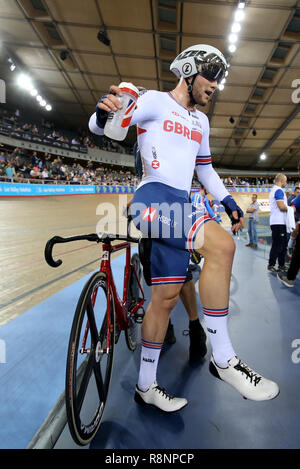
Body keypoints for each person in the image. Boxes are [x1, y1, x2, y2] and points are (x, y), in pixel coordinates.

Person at [89, 43, 279, 411]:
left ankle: (146, 386)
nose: (216, 86)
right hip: (151, 198)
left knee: (165, 298)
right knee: (222, 247)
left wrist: (227, 201)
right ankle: (223, 359)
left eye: (220, 80)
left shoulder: (202, 122)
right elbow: (107, 128)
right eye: (212, 76)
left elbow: (204, 168)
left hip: (180, 200)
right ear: (189, 70)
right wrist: (102, 113)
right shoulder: (156, 101)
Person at [132, 142, 207, 362]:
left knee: (182, 273)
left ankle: (195, 328)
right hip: (151, 207)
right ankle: (167, 328)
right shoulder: (140, 139)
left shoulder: (167, 127)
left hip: (172, 206)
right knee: (153, 273)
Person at [268, 174, 288, 273]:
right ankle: (271, 264)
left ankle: (281, 265)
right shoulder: (278, 190)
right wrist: (291, 209)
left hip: (279, 222)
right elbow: (281, 206)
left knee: (283, 244)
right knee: (278, 244)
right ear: (281, 180)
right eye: (286, 181)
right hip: (278, 222)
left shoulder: (276, 190)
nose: (286, 183)